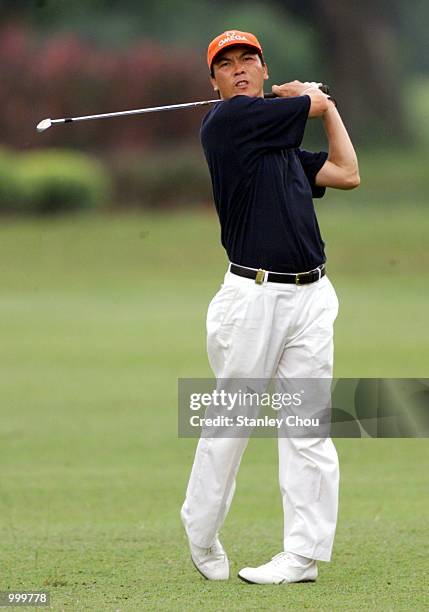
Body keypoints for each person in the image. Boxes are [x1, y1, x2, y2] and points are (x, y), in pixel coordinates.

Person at [181, 29, 360, 585]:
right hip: (252, 299)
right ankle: (202, 532)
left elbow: (347, 172)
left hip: (311, 296)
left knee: (308, 428)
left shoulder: (277, 144)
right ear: (213, 82)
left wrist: (326, 110)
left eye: (248, 61)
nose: (238, 70)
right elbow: (309, 104)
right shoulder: (227, 124)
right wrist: (311, 95)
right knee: (231, 425)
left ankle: (301, 557)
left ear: (263, 69)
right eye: (226, 65)